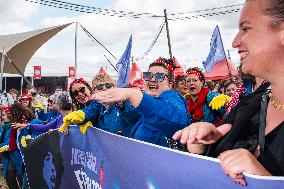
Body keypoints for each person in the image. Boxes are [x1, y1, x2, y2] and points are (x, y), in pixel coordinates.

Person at [173, 0, 284, 186]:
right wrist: (200, 145)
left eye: (246, 29)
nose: (234, 42)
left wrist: (265, 182)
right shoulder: (250, 105)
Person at [93, 59, 191, 147]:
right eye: (148, 75)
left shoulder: (173, 97)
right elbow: (135, 118)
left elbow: (176, 117)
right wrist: (122, 105)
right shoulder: (150, 102)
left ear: (170, 84)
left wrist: (134, 95)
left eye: (159, 76)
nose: (152, 79)